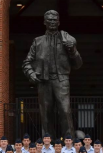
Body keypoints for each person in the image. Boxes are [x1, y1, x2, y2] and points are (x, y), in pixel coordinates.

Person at [22, 10, 82, 139]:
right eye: (49, 20)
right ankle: (48, 142)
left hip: (62, 79)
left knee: (65, 111)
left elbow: (78, 64)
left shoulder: (68, 39)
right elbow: (27, 62)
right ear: (44, 22)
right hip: (44, 81)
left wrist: (72, 50)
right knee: (46, 113)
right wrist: (31, 73)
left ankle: (68, 142)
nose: (52, 22)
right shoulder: (38, 42)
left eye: (55, 20)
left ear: (59, 22)